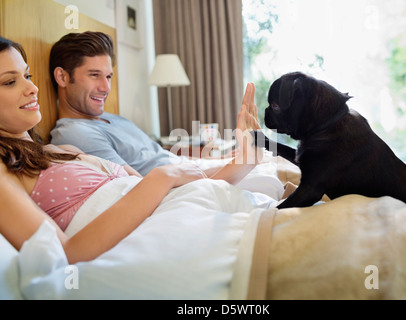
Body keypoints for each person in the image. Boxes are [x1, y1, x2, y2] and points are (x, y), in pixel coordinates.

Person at [0, 36, 262, 264]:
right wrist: (163, 176)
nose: (32, 88)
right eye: (10, 82)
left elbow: (151, 194)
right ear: (62, 77)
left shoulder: (64, 150)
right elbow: (64, 255)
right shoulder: (7, 170)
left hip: (181, 210)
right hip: (168, 235)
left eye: (28, 76)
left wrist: (244, 161)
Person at [49, 31, 197, 177]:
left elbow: (163, 158)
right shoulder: (75, 134)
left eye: (108, 77)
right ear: (62, 77)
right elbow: (138, 186)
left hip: (189, 169)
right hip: (180, 183)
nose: (106, 88)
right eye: (94, 75)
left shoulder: (114, 119)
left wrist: (211, 164)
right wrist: (210, 173)